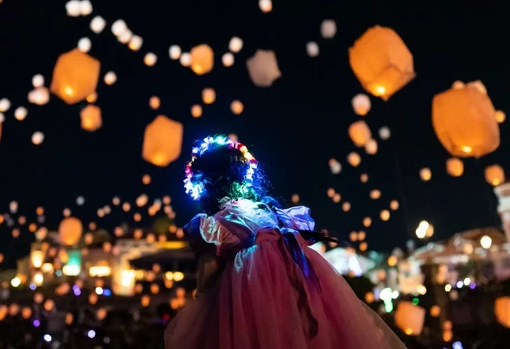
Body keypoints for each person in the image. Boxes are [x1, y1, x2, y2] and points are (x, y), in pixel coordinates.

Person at [165, 135, 406, 349]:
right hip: (301, 296)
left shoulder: (214, 224)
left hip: (250, 307)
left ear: (203, 185)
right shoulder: (271, 214)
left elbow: (206, 284)